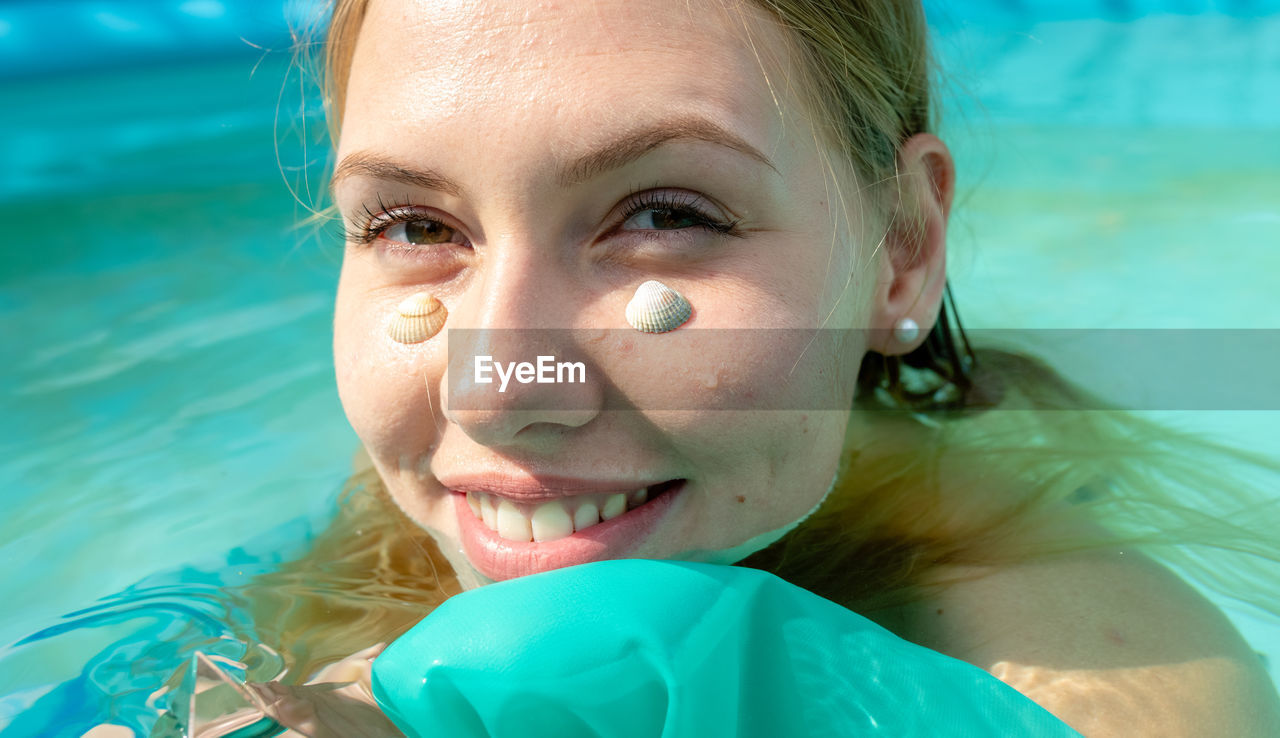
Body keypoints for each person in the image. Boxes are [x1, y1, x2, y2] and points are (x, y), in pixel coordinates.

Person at [188, 0, 1280, 735]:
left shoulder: (1092, 681)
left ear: (899, 250)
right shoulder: (465, 498)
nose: (493, 390)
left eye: (665, 213)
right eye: (413, 225)